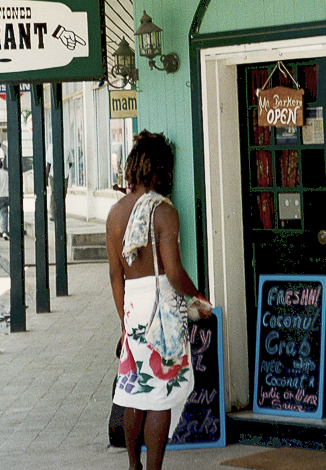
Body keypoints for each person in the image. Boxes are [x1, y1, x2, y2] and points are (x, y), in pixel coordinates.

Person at [106, 131, 212, 470]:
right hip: (161, 306)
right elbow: (174, 270)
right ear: (161, 169)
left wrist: (125, 320)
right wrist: (197, 296)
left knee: (136, 392)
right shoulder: (163, 213)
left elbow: (114, 275)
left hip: (133, 307)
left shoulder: (114, 214)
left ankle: (133, 464)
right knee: (161, 396)